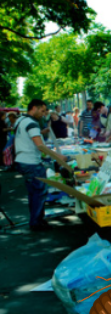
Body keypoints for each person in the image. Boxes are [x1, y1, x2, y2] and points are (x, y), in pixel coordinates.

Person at [14, 99, 68, 232]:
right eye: (42, 111)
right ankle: (36, 222)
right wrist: (58, 157)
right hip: (31, 162)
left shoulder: (20, 120)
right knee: (39, 192)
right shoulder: (32, 123)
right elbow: (40, 145)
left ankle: (36, 220)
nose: (44, 114)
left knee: (33, 192)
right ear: (34, 108)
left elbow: (30, 140)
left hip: (22, 160)